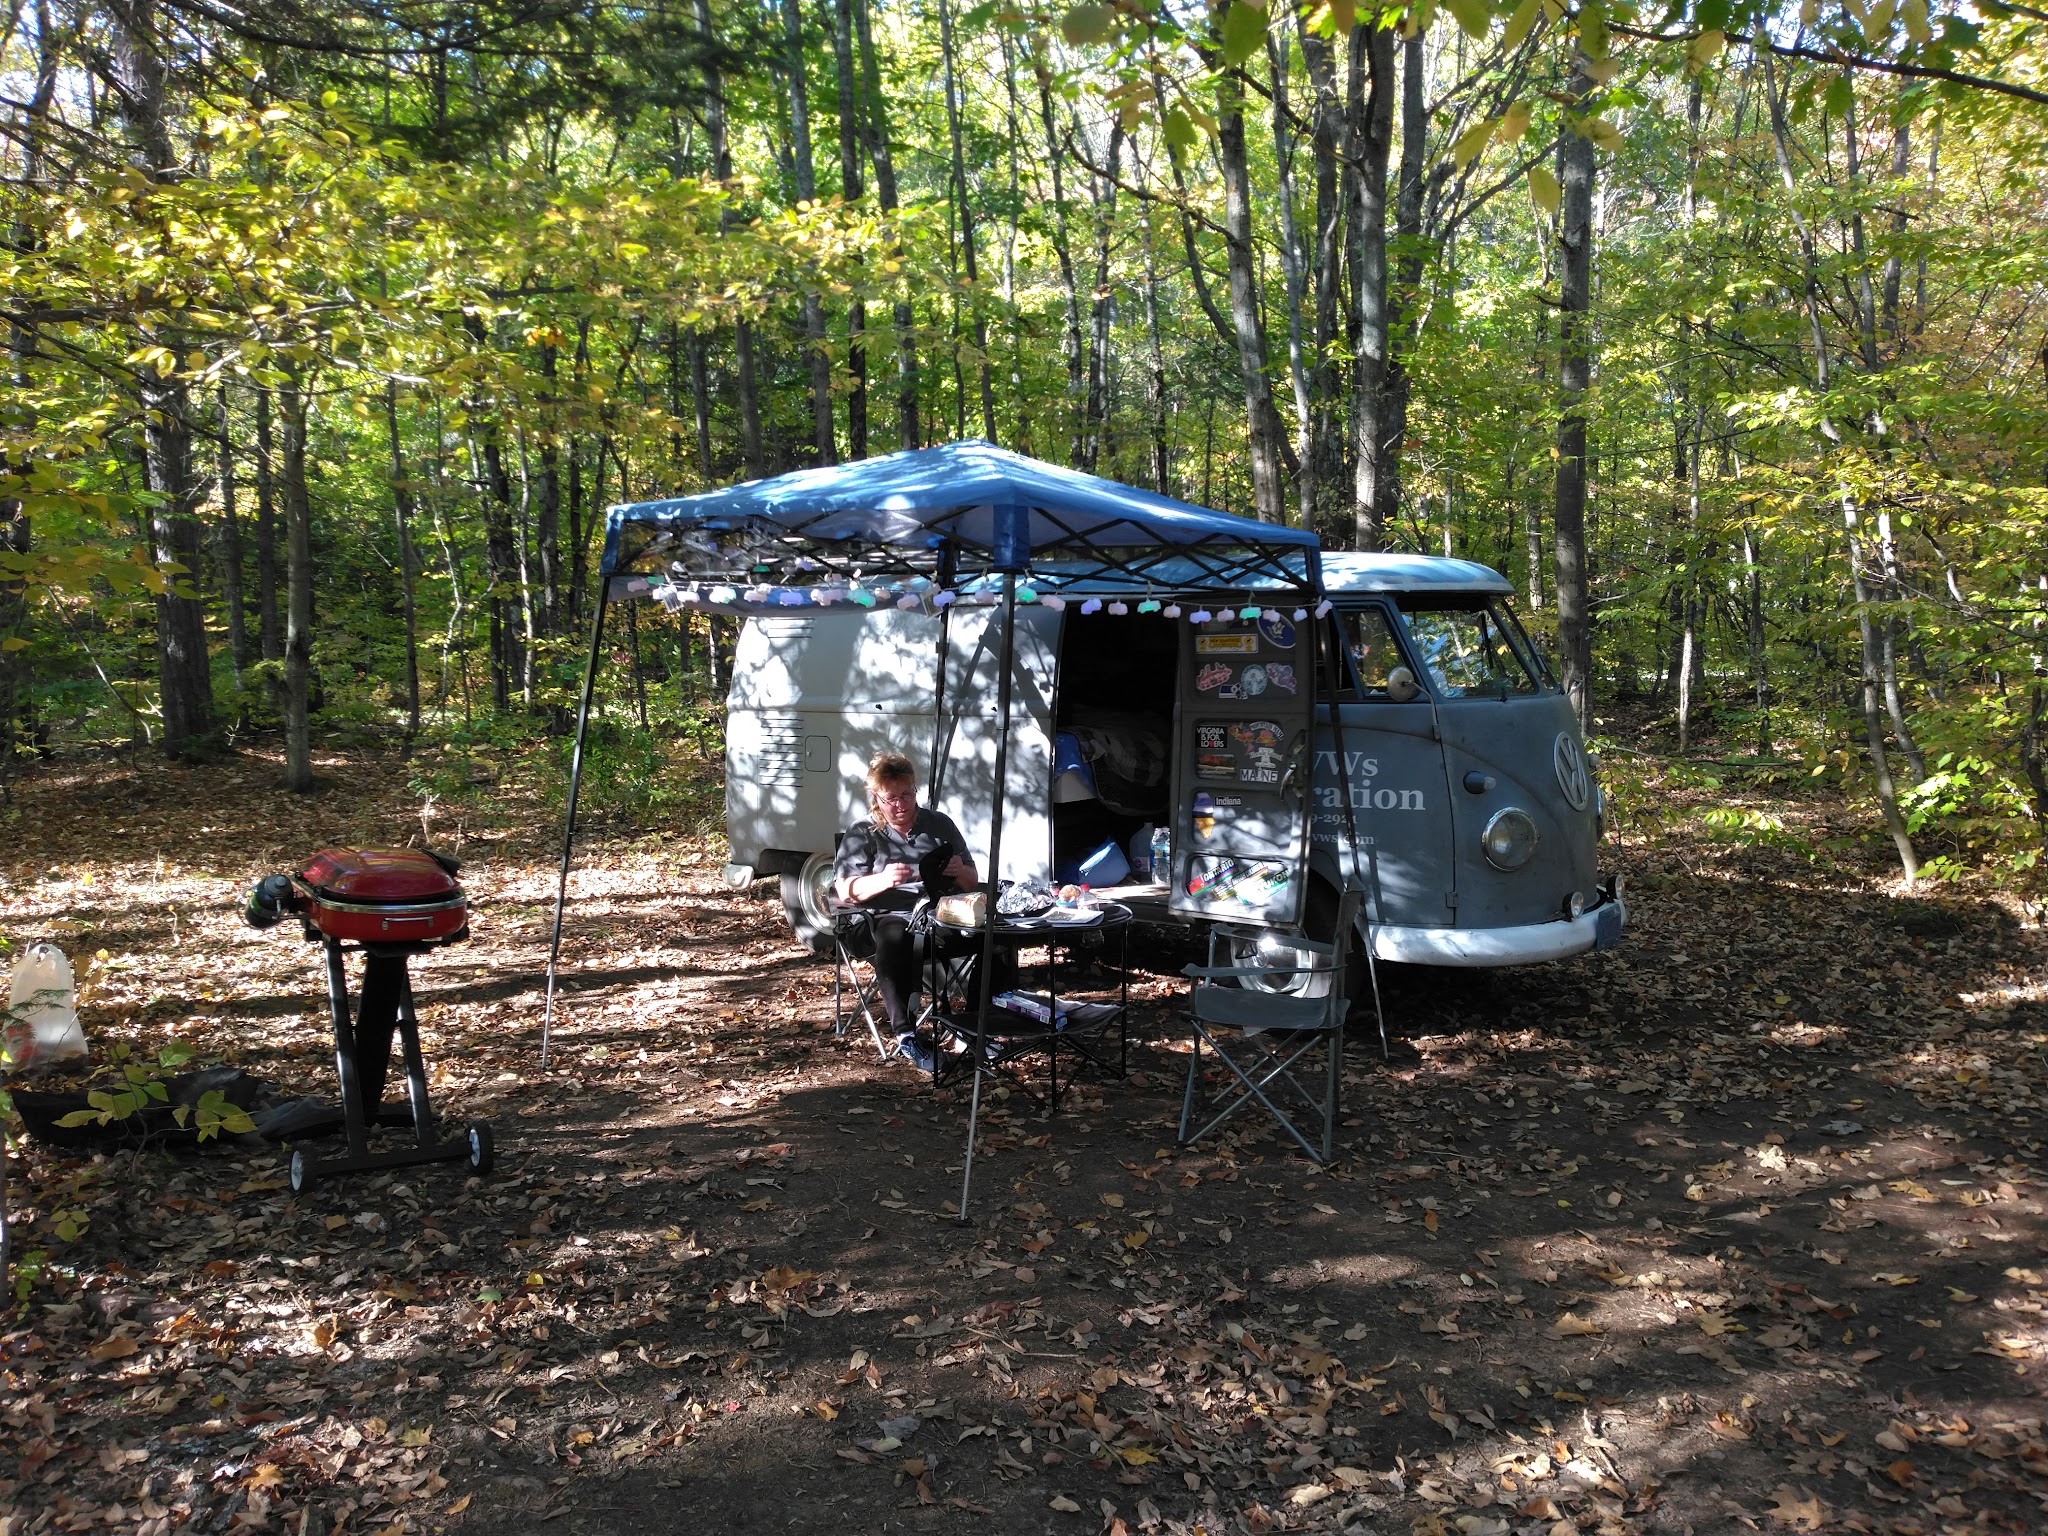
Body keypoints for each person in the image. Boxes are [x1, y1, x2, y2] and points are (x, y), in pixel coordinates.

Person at [833, 752, 978, 1070]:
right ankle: (907, 1035)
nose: (901, 804)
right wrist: (883, 880)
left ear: (915, 789)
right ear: (876, 797)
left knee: (991, 937)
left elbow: (972, 879)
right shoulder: (863, 833)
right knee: (895, 935)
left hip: (938, 914)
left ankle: (977, 1027)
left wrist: (959, 871)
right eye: (891, 798)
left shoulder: (938, 825)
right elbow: (844, 891)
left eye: (907, 795)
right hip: (882, 919)